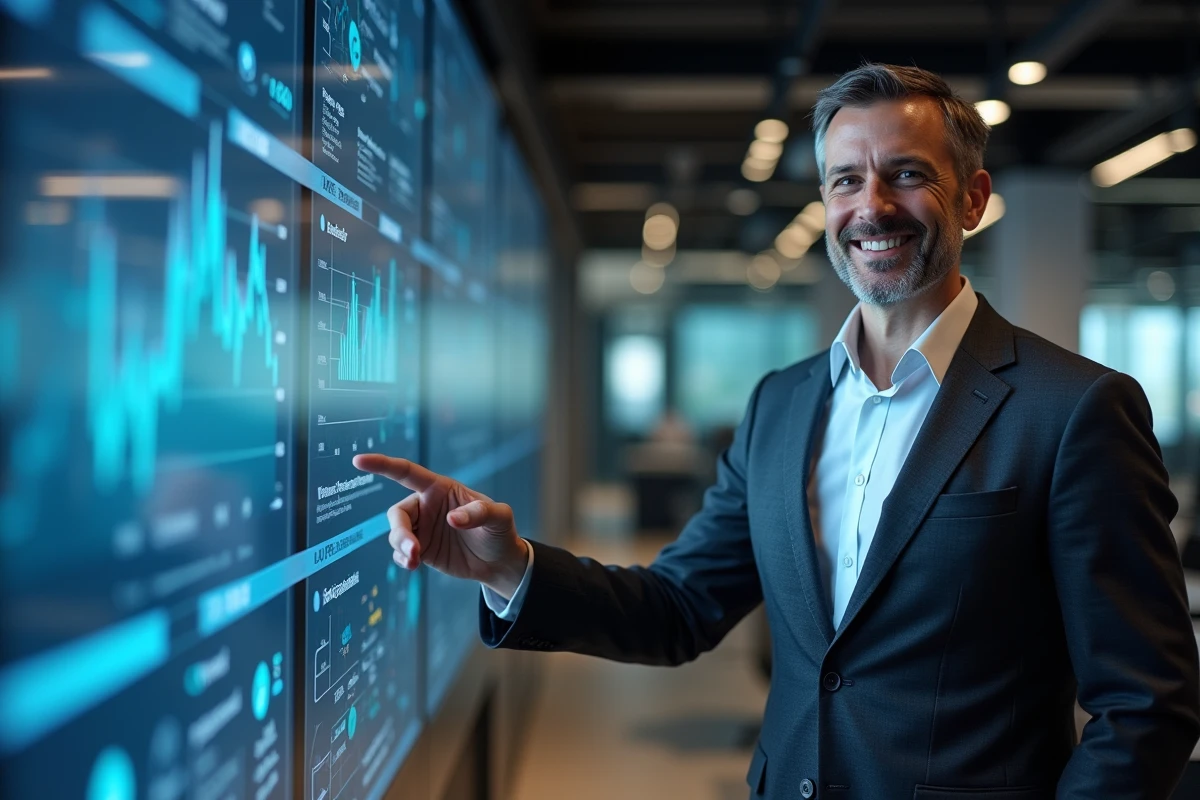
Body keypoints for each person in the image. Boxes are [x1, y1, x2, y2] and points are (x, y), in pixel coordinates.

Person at [354, 64, 1200, 799]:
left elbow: (1146, 703)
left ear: (973, 198)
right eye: (844, 180)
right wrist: (512, 567)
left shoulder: (1075, 408)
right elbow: (681, 608)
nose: (872, 206)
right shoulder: (781, 405)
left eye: (907, 175)